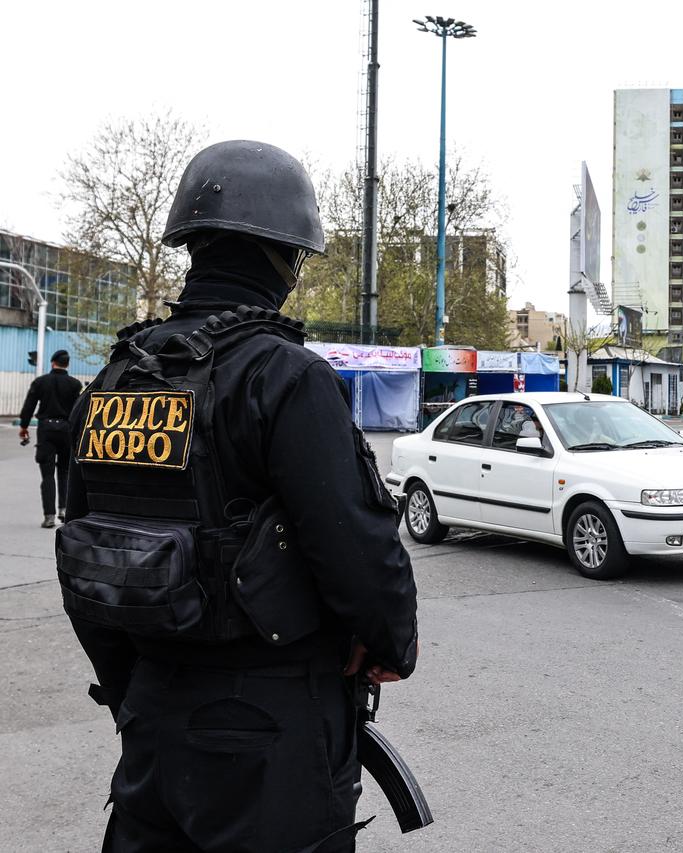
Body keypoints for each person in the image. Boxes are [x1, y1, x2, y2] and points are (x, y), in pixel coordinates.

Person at [60, 140, 419, 852]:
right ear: (286, 258)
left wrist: (137, 690)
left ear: (193, 245)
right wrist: (391, 644)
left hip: (152, 722)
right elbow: (352, 540)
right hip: (270, 732)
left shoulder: (114, 381)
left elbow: (84, 556)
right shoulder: (285, 376)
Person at [19, 349, 82, 528]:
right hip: (66, 430)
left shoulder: (40, 382)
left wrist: (23, 427)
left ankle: (49, 516)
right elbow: (78, 410)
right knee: (64, 472)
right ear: (67, 364)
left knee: (47, 475)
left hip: (46, 430)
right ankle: (63, 509)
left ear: (52, 362)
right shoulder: (74, 384)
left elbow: (29, 406)